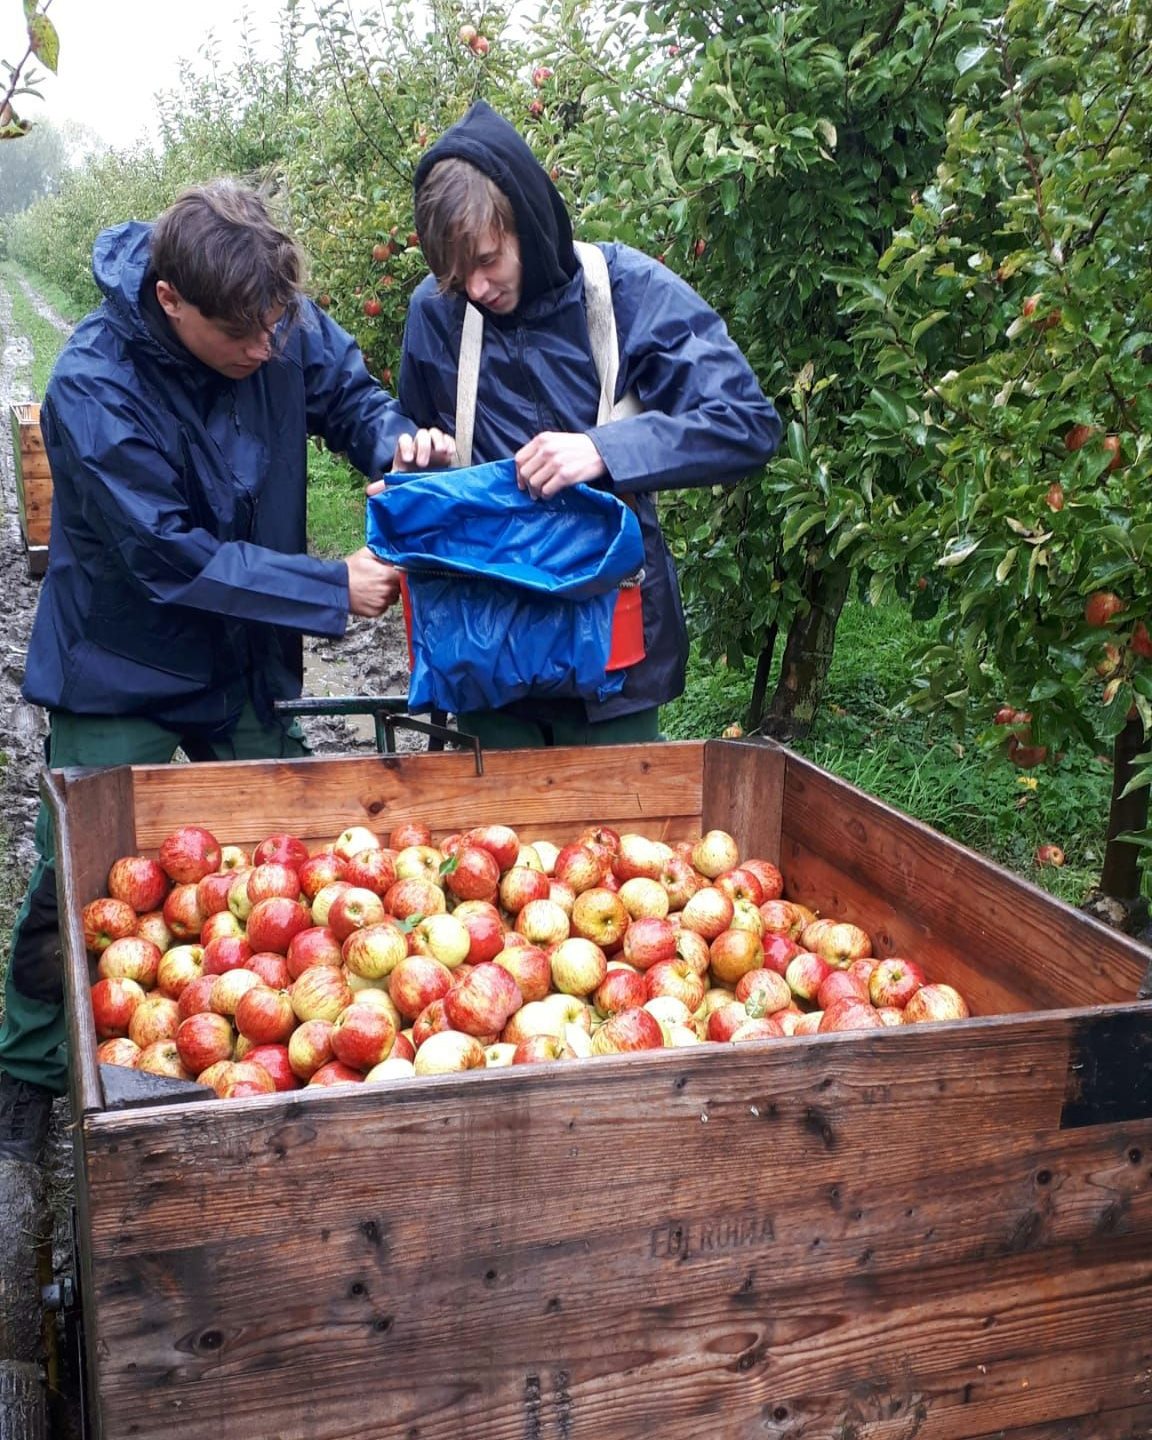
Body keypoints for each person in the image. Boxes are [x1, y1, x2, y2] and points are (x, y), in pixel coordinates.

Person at [0, 180, 453, 1162]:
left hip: (242, 656)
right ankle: (29, 1078)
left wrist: (393, 443)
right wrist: (331, 589)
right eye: (243, 336)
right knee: (70, 874)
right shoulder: (92, 384)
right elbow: (170, 558)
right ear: (171, 301)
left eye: (276, 327)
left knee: (280, 844)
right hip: (122, 660)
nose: (265, 350)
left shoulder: (272, 315)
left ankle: (275, 1049)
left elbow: (345, 393)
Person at [396, 99, 781, 751]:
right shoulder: (437, 317)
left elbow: (746, 423)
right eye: (459, 278)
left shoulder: (623, 292)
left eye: (489, 261)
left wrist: (603, 449)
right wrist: (417, 465)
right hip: (490, 649)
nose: (480, 289)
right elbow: (419, 440)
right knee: (497, 843)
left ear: (526, 216)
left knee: (618, 840)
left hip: (612, 661)